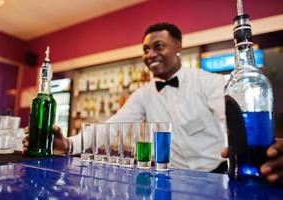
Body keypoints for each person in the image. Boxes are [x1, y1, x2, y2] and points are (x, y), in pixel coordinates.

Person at [23, 23, 283, 181]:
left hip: (212, 176)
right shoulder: (143, 94)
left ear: (178, 46)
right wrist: (68, 144)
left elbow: (234, 120)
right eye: (146, 50)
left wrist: (262, 149)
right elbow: (112, 125)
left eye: (159, 46)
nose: (150, 55)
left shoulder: (207, 82)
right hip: (167, 175)